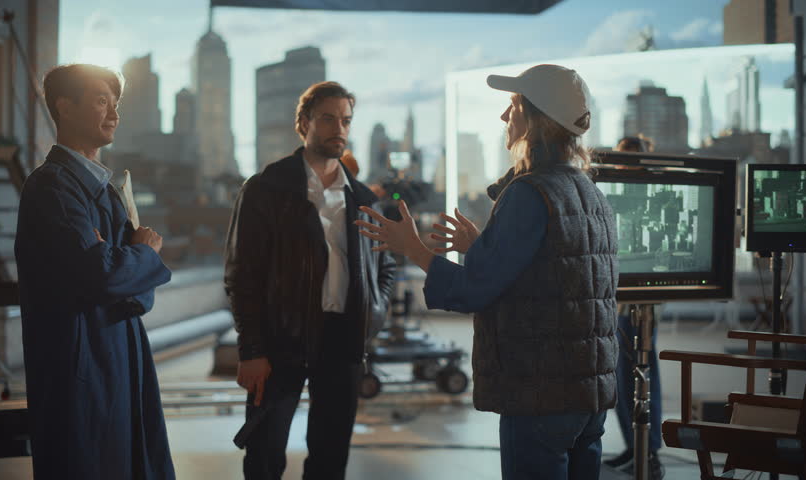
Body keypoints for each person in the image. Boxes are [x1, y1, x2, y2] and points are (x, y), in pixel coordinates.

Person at [356, 64, 619, 480]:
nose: (503, 117)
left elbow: (474, 292)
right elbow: (556, 278)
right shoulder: (589, 193)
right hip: (588, 397)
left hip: (539, 395)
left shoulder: (530, 193)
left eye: (513, 106)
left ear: (535, 118)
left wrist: (415, 250)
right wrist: (483, 247)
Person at [224, 81, 396, 480]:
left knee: (330, 457)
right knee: (264, 455)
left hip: (343, 340)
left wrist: (376, 311)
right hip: (280, 339)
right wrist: (251, 349)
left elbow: (382, 267)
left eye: (346, 120)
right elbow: (241, 273)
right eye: (328, 118)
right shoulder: (266, 189)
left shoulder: (364, 200)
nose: (339, 128)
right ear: (303, 123)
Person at [14, 64, 175, 479]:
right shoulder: (52, 188)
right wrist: (142, 255)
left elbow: (137, 294)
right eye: (101, 101)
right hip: (80, 367)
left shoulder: (106, 192)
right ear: (64, 108)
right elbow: (101, 277)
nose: (114, 114)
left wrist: (129, 266)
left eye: (116, 104)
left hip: (120, 357)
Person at [603, 135, 664, 479]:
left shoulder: (650, 194)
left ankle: (650, 452)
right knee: (621, 382)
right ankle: (634, 447)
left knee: (643, 378)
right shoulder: (615, 192)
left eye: (629, 160)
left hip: (642, 306)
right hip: (618, 301)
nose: (623, 167)